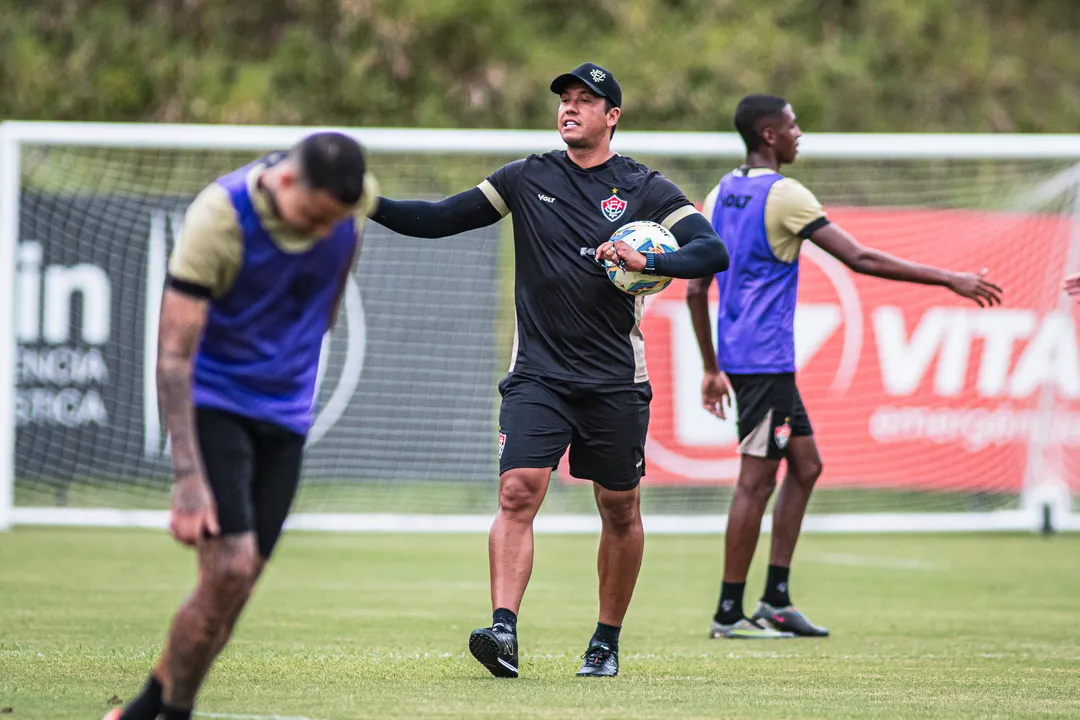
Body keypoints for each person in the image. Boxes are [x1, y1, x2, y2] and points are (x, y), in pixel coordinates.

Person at [370, 62, 729, 677]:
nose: (570, 108)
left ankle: (605, 640)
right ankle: (503, 631)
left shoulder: (645, 189)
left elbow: (711, 250)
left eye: (586, 100)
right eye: (565, 99)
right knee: (517, 492)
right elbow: (435, 219)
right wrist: (363, 201)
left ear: (612, 116)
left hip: (616, 379)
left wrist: (647, 254)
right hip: (538, 373)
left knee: (619, 508)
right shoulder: (525, 177)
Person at [687, 95, 1003, 640]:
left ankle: (776, 601)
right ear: (768, 135)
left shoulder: (721, 192)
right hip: (765, 363)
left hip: (750, 361)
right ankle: (728, 613)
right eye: (790, 125)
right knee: (755, 483)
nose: (798, 133)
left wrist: (711, 367)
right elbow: (861, 259)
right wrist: (950, 278)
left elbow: (695, 289)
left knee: (806, 467)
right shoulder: (785, 195)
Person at [105, 132, 378, 720]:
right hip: (217, 403)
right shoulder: (218, 219)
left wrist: (298, 353)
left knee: (237, 586)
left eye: (334, 221)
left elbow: (329, 298)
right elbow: (174, 359)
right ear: (284, 183)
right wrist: (186, 478)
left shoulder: (350, 208)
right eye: (313, 217)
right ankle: (175, 712)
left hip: (287, 414)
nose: (321, 231)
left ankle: (144, 708)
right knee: (226, 568)